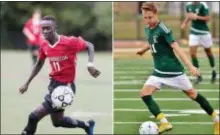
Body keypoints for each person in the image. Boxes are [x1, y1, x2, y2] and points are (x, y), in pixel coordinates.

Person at [136, 2, 219, 134]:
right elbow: (152, 41)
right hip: (158, 72)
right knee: (144, 94)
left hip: (173, 71)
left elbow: (176, 48)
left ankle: (216, 119)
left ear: (156, 14)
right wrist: (143, 50)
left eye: (150, 17)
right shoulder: (148, 28)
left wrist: (190, 66)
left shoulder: (164, 29)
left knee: (193, 95)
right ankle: (164, 123)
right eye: (145, 17)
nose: (148, 20)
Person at [18, 15, 101, 135]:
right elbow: (39, 64)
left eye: (48, 28)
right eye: (43, 28)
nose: (45, 31)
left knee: (33, 117)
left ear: (54, 27)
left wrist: (90, 64)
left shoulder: (69, 42)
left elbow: (89, 45)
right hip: (53, 85)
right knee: (58, 122)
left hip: (65, 88)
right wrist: (27, 83)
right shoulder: (44, 45)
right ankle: (87, 125)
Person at [181, 2, 216, 84]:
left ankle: (213, 70)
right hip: (194, 33)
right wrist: (185, 23)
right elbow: (189, 16)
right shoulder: (188, 5)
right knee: (192, 54)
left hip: (204, 32)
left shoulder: (203, 5)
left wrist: (197, 17)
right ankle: (198, 75)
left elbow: (208, 18)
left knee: (208, 52)